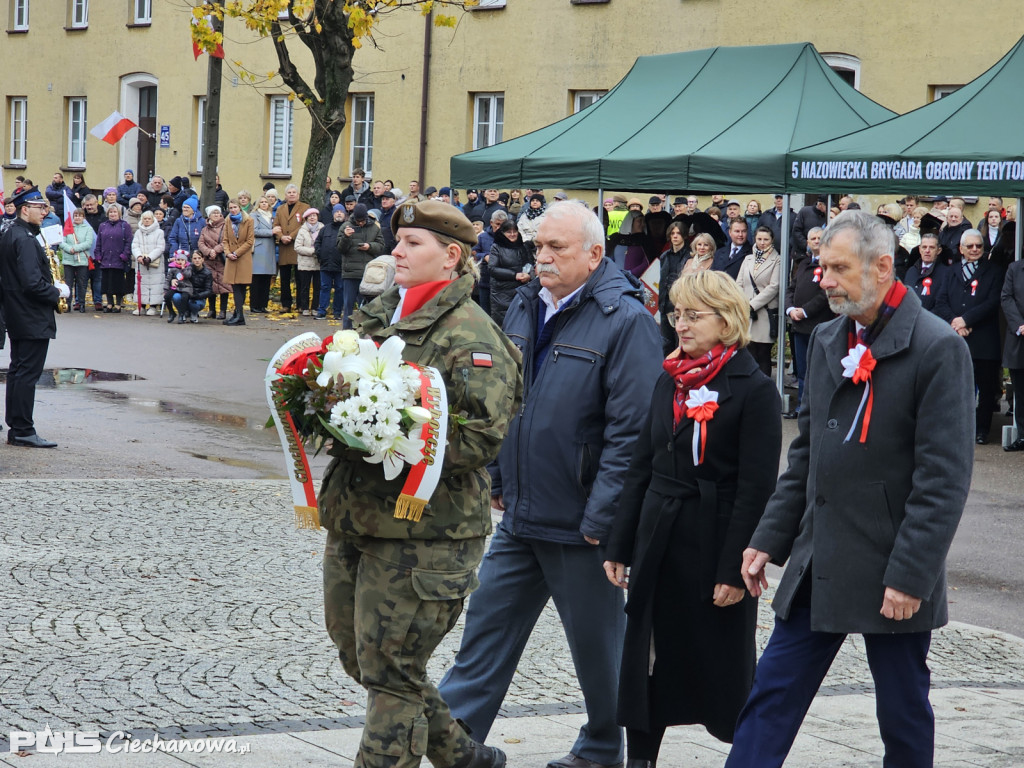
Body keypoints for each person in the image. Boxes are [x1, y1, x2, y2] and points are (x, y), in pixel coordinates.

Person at [725, 210, 974, 768]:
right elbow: (808, 454)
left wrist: (911, 574)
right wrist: (768, 538)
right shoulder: (827, 337)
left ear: (883, 266)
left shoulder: (937, 348)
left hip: (893, 566)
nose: (824, 280)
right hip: (821, 558)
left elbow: (944, 478)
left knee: (903, 712)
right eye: (822, 266)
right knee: (771, 696)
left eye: (838, 268)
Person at [439, 201, 663, 768]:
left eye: (555, 248)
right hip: (522, 510)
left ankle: (606, 747)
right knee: (486, 627)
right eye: (538, 246)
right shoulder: (522, 303)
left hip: (583, 518)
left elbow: (634, 430)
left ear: (594, 253)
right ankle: (452, 742)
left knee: (598, 650)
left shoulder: (626, 319)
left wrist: (603, 516)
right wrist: (495, 472)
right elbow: (501, 399)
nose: (541, 257)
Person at [320, 198, 522, 768]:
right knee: (363, 657)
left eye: (413, 243)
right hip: (357, 514)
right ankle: (465, 759)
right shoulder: (382, 311)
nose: (397, 251)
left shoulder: (473, 336)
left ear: (451, 256)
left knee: (390, 666)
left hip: (427, 529)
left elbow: (482, 438)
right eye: (399, 240)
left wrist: (393, 439)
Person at [604, 270, 781, 765]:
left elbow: (756, 489)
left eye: (692, 315)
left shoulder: (754, 388)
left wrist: (734, 570)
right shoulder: (670, 377)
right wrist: (619, 544)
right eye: (675, 314)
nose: (680, 325)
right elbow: (642, 464)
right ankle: (640, 758)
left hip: (714, 545)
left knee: (722, 673)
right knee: (647, 665)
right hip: (659, 541)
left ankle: (746, 755)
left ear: (726, 321)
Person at [0, 188, 69, 447]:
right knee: (26, 374)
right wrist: (57, 292)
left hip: (17, 314)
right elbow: (32, 283)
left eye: (45, 207)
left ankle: (17, 427)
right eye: (39, 207)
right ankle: (23, 430)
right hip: (30, 316)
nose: (44, 212)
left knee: (18, 372)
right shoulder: (26, 239)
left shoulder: (11, 233)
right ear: (24, 209)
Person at [934, 229, 1004, 444]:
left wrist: (967, 320)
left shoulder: (994, 271)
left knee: (985, 388)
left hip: (983, 339)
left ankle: (982, 430)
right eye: (970, 246)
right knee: (956, 387)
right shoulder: (950, 271)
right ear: (961, 249)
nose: (975, 250)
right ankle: (957, 429)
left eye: (979, 246)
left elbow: (993, 302)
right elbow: (941, 302)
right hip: (956, 338)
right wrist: (956, 323)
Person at [783, 227, 833, 418]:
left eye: (819, 238)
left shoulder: (829, 264)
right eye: (812, 238)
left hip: (819, 325)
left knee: (818, 370)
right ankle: (802, 408)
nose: (816, 241)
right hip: (799, 326)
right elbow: (791, 289)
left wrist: (805, 311)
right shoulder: (803, 263)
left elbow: (825, 294)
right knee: (802, 370)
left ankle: (818, 410)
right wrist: (790, 309)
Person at [734, 226, 781, 376]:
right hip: (746, 312)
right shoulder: (748, 258)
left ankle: (764, 389)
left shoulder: (777, 260)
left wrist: (752, 305)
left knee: (763, 354)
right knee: (749, 352)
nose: (762, 242)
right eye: (759, 239)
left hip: (764, 312)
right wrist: (742, 303)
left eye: (766, 239)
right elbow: (739, 283)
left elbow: (774, 286)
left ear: (772, 240)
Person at [336, 202, 384, 329]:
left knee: (367, 307)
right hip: (350, 273)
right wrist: (346, 237)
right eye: (358, 221)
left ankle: (364, 331)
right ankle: (346, 331)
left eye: (362, 221)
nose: (360, 223)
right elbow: (340, 249)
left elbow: (381, 247)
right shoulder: (345, 227)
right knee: (348, 306)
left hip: (367, 275)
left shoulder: (374, 228)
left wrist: (370, 246)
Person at [487, 219, 532, 327]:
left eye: (514, 231)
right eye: (509, 232)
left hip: (520, 290)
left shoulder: (522, 246)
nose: (512, 234)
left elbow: (530, 264)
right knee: (503, 326)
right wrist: (514, 275)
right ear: (503, 233)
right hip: (501, 294)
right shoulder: (496, 247)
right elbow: (492, 269)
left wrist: (529, 275)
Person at [272, 184, 310, 312]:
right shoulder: (280, 209)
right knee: (284, 278)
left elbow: (305, 225)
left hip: (298, 246)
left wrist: (291, 236)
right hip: (284, 247)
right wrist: (281, 236)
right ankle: (286, 304)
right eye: (289, 192)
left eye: (294, 192)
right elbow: (276, 225)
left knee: (300, 278)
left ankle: (300, 304)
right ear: (285, 195)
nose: (292, 194)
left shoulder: (305, 207)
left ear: (298, 195)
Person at [1002, 256, 1024, 452]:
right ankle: (1023, 436)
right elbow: (1006, 297)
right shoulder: (1014, 269)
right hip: (1020, 339)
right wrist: (1020, 324)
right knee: (1021, 391)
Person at [95, 204, 133, 313]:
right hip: (106, 258)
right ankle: (109, 303)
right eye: (111, 212)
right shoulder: (103, 226)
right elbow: (99, 242)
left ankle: (118, 304)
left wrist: (125, 255)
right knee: (107, 283)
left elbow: (128, 242)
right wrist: (98, 255)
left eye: (115, 212)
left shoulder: (124, 226)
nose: (113, 214)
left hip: (119, 259)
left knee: (118, 283)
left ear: (119, 214)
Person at [657, 222, 689, 355]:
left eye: (678, 233)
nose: (675, 236)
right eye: (672, 233)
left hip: (680, 305)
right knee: (666, 343)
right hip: (665, 305)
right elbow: (662, 281)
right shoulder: (665, 256)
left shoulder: (689, 256)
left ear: (684, 236)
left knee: (680, 343)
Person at [222, 199, 255, 326]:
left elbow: (250, 241)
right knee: (235, 286)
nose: (233, 209)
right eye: (230, 207)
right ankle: (238, 314)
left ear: (240, 208)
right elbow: (225, 239)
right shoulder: (227, 220)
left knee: (241, 286)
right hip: (231, 257)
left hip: (243, 257)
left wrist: (237, 253)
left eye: (235, 207)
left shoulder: (249, 221)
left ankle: (240, 315)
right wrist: (228, 253)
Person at [903, 233, 949, 316]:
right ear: (920, 249)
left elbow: (942, 303)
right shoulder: (911, 271)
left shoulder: (946, 273)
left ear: (939, 250)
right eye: (924, 247)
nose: (927, 251)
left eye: (931, 247)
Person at [59, 207, 95, 313]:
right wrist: (69, 249)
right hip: (68, 259)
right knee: (68, 283)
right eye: (75, 215)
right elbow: (62, 241)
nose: (77, 217)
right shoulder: (68, 227)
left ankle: (81, 304)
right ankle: (67, 304)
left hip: (82, 260)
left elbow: (88, 243)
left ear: (83, 217)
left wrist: (75, 248)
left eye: (80, 215)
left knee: (82, 282)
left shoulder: (88, 229)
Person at [198, 205, 231, 319]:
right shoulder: (205, 229)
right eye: (214, 213)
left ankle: (223, 310)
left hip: (221, 260)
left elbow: (227, 241)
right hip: (209, 261)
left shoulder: (226, 227)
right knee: (210, 286)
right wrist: (208, 252)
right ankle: (212, 310)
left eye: (218, 212)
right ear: (209, 215)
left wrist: (215, 250)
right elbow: (201, 243)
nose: (216, 215)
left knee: (224, 286)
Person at [131, 210, 165, 315]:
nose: (146, 221)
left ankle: (153, 306)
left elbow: (160, 247)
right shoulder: (138, 232)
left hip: (155, 262)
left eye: (148, 219)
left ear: (152, 219)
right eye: (144, 219)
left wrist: (150, 257)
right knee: (141, 284)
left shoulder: (159, 232)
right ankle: (141, 305)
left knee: (155, 285)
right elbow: (135, 246)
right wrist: (139, 256)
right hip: (141, 263)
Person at [315, 203, 346, 320]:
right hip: (325, 264)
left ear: (344, 214)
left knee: (339, 288)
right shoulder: (325, 229)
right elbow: (317, 242)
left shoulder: (347, 228)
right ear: (333, 214)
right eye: (337, 211)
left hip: (341, 265)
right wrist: (320, 253)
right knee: (324, 287)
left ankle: (337, 312)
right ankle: (322, 311)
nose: (339, 213)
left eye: (341, 212)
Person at [293, 207, 323, 316]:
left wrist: (319, 252)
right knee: (304, 286)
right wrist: (312, 251)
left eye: (314, 215)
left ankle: (315, 307)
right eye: (310, 216)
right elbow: (297, 247)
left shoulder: (322, 228)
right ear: (306, 218)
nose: (312, 218)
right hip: (305, 262)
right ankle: (304, 307)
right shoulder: (302, 230)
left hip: (318, 263)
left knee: (317, 287)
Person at [249, 195, 276, 313]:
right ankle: (254, 305)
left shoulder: (272, 217)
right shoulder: (254, 216)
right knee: (257, 278)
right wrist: (271, 232)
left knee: (266, 278)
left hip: (269, 249)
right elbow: (254, 231)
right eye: (262, 202)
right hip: (259, 249)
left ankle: (263, 305)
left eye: (266, 202)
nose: (264, 204)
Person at [172, 251, 213, 324]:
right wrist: (173, 280)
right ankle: (182, 313)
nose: (197, 260)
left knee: (194, 303)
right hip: (186, 293)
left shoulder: (207, 273)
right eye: (195, 258)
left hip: (198, 297)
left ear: (202, 259)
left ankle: (194, 314)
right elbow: (178, 277)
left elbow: (209, 291)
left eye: (199, 258)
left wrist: (198, 296)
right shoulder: (187, 269)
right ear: (192, 260)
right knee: (176, 297)